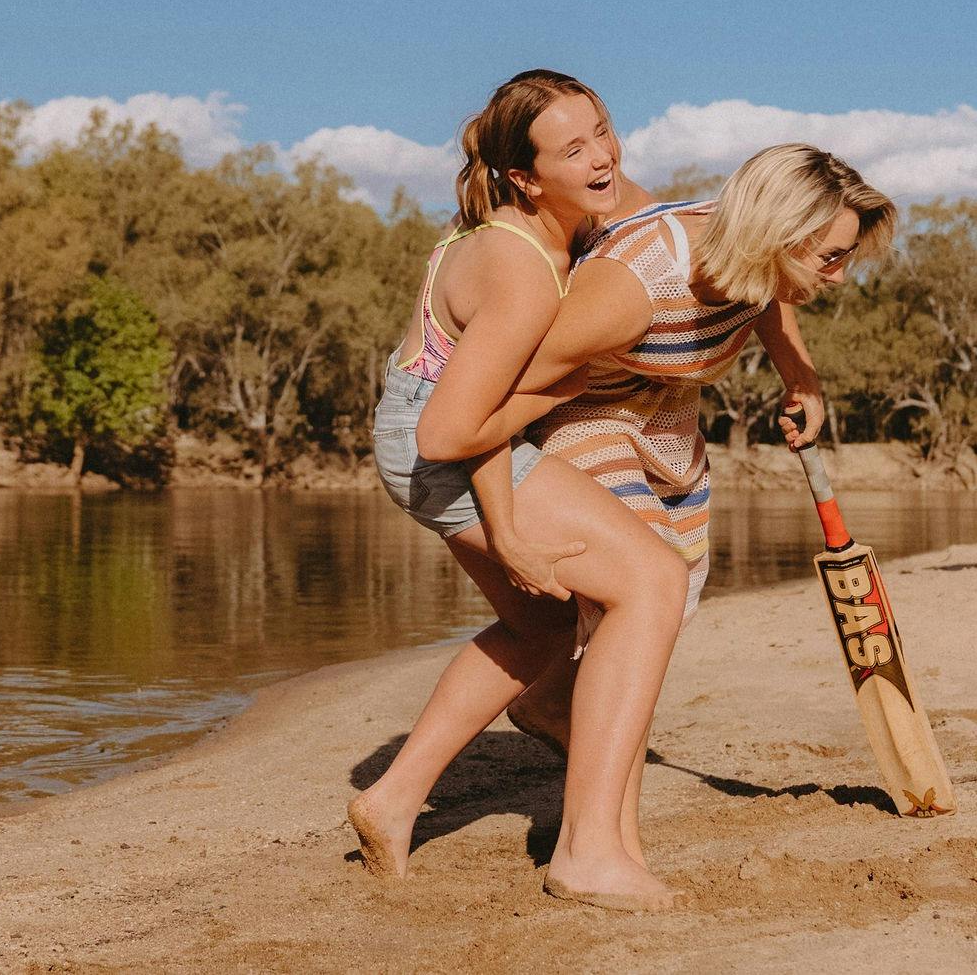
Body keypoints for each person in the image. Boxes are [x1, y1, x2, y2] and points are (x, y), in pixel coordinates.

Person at [349, 70, 687, 911]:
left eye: (604, 130)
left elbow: (666, 214)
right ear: (526, 178)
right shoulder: (521, 267)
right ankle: (587, 856)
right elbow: (457, 429)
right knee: (652, 579)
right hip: (440, 446)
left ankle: (389, 802)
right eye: (574, 149)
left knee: (539, 624)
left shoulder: (564, 211)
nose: (604, 156)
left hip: (432, 433)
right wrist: (507, 529)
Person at [493, 143, 895, 756]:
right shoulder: (639, 283)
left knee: (680, 583)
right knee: (640, 586)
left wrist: (801, 377)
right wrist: (499, 516)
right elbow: (508, 380)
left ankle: (553, 704)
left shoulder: (756, 263)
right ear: (776, 233)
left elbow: (768, 300)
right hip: (578, 408)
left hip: (667, 412)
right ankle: (597, 795)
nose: (839, 276)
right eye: (831, 258)